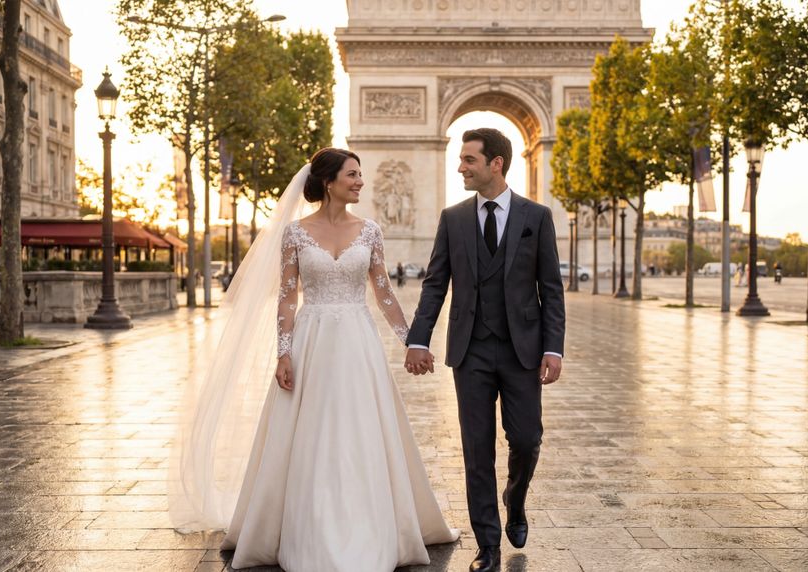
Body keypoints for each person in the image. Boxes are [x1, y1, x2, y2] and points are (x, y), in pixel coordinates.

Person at [169, 148, 458, 572]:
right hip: (312, 341)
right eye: (353, 174)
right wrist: (284, 353)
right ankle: (310, 524)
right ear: (328, 181)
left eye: (360, 175)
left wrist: (412, 341)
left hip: (358, 343)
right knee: (311, 430)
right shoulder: (295, 233)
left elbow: (384, 293)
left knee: (361, 430)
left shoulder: (372, 231)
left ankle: (370, 522)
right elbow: (287, 297)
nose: (361, 181)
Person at [404, 128, 566, 572]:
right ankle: (488, 544)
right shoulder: (453, 218)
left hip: (523, 351)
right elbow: (436, 283)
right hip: (470, 351)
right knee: (477, 449)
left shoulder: (538, 216)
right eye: (459, 159)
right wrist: (418, 338)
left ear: (496, 163)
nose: (460, 167)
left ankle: (515, 499)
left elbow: (551, 288)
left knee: (528, 439)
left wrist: (555, 349)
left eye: (469, 160)